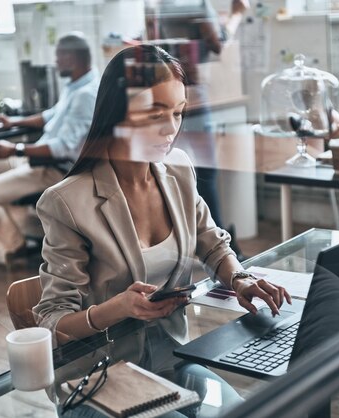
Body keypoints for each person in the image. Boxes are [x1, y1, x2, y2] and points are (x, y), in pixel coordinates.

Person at [33, 45, 290, 417]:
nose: (171, 128)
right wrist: (119, 308)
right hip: (99, 379)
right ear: (118, 116)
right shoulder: (66, 202)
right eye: (155, 114)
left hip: (172, 362)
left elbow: (210, 242)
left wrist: (240, 278)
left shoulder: (179, 168)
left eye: (178, 112)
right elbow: (52, 322)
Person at [0, 32, 99, 265]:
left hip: (52, 169)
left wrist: (14, 149)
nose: (55, 63)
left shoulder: (86, 95)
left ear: (71, 58)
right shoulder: (76, 86)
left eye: (58, 57)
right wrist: (12, 122)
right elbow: (49, 116)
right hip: (34, 157)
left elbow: (63, 148)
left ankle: (15, 244)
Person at [144, 0, 250, 260]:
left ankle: (205, 244)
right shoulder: (197, 4)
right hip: (194, 97)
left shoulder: (164, 6)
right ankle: (222, 248)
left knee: (186, 173)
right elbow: (217, 44)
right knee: (205, 174)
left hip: (171, 89)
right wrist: (236, 15)